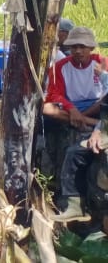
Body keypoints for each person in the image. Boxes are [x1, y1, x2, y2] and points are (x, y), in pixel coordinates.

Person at [44, 27, 108, 221]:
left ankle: (92, 123)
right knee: (46, 108)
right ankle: (73, 205)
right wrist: (71, 109)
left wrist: (84, 115)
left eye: (82, 47)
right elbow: (54, 93)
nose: (78, 51)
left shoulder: (102, 64)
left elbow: (106, 97)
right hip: (72, 107)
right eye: (74, 47)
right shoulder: (61, 66)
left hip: (96, 107)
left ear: (90, 48)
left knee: (76, 151)